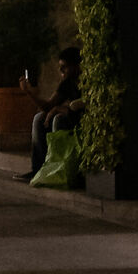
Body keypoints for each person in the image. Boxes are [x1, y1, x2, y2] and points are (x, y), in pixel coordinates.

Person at [30, 45, 84, 178]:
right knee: (39, 118)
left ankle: (59, 169)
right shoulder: (67, 83)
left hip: (83, 119)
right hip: (72, 116)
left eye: (64, 66)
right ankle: (38, 170)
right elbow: (48, 106)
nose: (61, 70)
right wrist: (28, 92)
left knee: (59, 119)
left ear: (77, 66)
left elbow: (84, 106)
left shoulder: (88, 80)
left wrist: (62, 109)